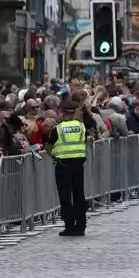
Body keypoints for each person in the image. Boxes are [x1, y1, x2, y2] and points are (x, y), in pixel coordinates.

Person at [46, 99, 89, 236]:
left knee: (65, 197)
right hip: (78, 165)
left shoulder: (58, 128)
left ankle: (69, 226)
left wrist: (54, 154)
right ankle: (81, 225)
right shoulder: (82, 127)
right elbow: (84, 141)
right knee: (79, 195)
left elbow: (49, 147)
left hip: (63, 165)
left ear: (63, 112)